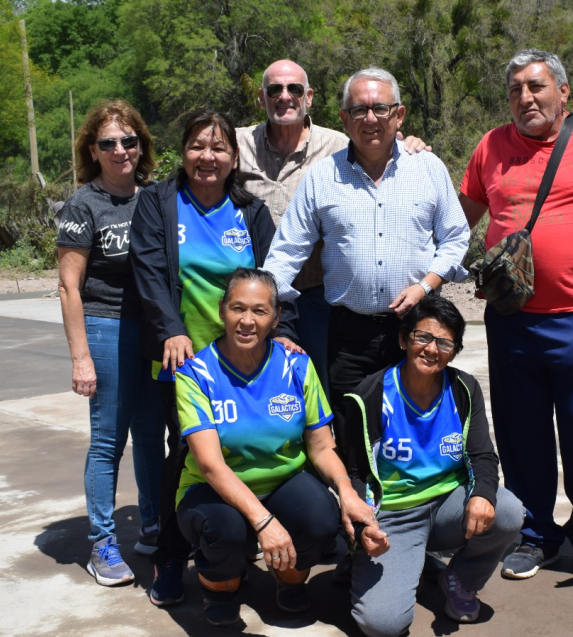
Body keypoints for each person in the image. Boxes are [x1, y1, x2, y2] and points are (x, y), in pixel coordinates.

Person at [457, 48, 573, 582]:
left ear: (562, 91)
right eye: (515, 89)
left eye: (535, 87)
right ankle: (535, 534)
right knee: (521, 430)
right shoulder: (491, 145)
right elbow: (456, 217)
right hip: (509, 319)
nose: (525, 98)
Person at [130, 109, 280, 606]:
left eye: (218, 148)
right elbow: (149, 272)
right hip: (184, 360)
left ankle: (233, 539)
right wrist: (171, 330)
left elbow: (272, 280)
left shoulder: (251, 211)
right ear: (183, 152)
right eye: (197, 146)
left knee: (241, 449)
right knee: (188, 458)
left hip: (243, 360)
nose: (207, 157)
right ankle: (172, 556)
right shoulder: (159, 202)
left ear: (234, 158)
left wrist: (286, 336)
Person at [174, 267, 372, 624]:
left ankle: (287, 579)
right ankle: (222, 585)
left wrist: (347, 492)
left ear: (276, 316)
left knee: (321, 519)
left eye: (260, 311)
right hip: (212, 488)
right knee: (227, 532)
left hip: (281, 480)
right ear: (221, 310)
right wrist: (264, 523)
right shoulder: (195, 373)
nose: (247, 320)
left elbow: (322, 446)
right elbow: (210, 466)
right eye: (238, 308)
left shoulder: (296, 365)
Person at [263, 66, 469, 408]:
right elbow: (286, 252)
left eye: (381, 108)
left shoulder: (428, 168)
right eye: (359, 110)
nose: (370, 118)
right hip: (348, 338)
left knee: (414, 430)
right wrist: (265, 314)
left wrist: (425, 286)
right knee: (351, 438)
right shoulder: (322, 178)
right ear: (345, 119)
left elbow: (456, 239)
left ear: (399, 115)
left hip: (417, 331)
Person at [236, 59, 431, 400]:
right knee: (259, 392)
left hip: (318, 297)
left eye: (294, 89)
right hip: (259, 295)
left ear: (309, 96)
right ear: (261, 98)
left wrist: (410, 147)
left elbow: (381, 148)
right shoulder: (236, 145)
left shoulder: (339, 145)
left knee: (320, 396)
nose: (285, 96)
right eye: (274, 90)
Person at [341, 295, 523, 637]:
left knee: (508, 511)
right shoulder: (372, 394)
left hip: (446, 509)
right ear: (403, 339)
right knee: (383, 625)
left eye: (444, 343)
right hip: (393, 517)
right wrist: (364, 526)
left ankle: (460, 579)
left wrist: (482, 493)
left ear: (454, 351)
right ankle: (368, 562)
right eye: (422, 337)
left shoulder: (464, 389)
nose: (431, 349)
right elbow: (355, 473)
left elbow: (483, 455)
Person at [56, 100, 166, 586]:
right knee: (108, 440)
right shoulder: (84, 204)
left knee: (151, 436)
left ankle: (154, 526)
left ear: (141, 146)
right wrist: (81, 357)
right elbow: (68, 287)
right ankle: (102, 542)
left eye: (129, 141)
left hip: (154, 333)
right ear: (93, 150)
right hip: (106, 327)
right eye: (109, 143)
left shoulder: (156, 197)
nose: (121, 150)